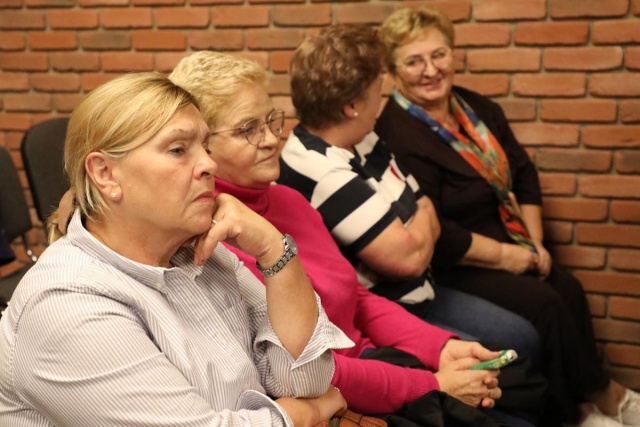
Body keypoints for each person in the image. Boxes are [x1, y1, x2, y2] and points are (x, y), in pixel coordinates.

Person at [167, 50, 511, 423]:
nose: (270, 140)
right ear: (202, 146)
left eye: (270, 121)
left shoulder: (288, 199)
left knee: (509, 380)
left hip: (375, 364)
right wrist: (432, 384)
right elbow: (310, 370)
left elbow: (357, 298)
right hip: (334, 400)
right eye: (247, 129)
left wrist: (438, 348)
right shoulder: (213, 239)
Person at [0, 72, 353, 427]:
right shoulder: (67, 306)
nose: (209, 165)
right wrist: (303, 415)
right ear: (105, 173)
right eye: (178, 150)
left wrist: (275, 251)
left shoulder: (199, 250)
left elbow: (306, 380)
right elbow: (304, 400)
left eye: (205, 147)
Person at [374, 5, 640, 427]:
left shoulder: (478, 108)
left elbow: (524, 173)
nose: (431, 70)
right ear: (392, 71)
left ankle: (591, 400)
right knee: (545, 304)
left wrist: (534, 244)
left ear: (453, 53)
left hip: (512, 240)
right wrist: (508, 257)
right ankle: (582, 410)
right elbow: (436, 232)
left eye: (439, 54)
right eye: (414, 61)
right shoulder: (395, 132)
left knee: (568, 288)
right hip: (453, 260)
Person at [277, 22, 541, 362]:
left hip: (422, 294)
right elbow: (410, 259)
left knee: (523, 336)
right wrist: (420, 221)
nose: (382, 100)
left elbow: (424, 210)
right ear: (352, 106)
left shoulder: (360, 137)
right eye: (377, 90)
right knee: (501, 355)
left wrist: (417, 227)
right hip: (385, 312)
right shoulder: (321, 168)